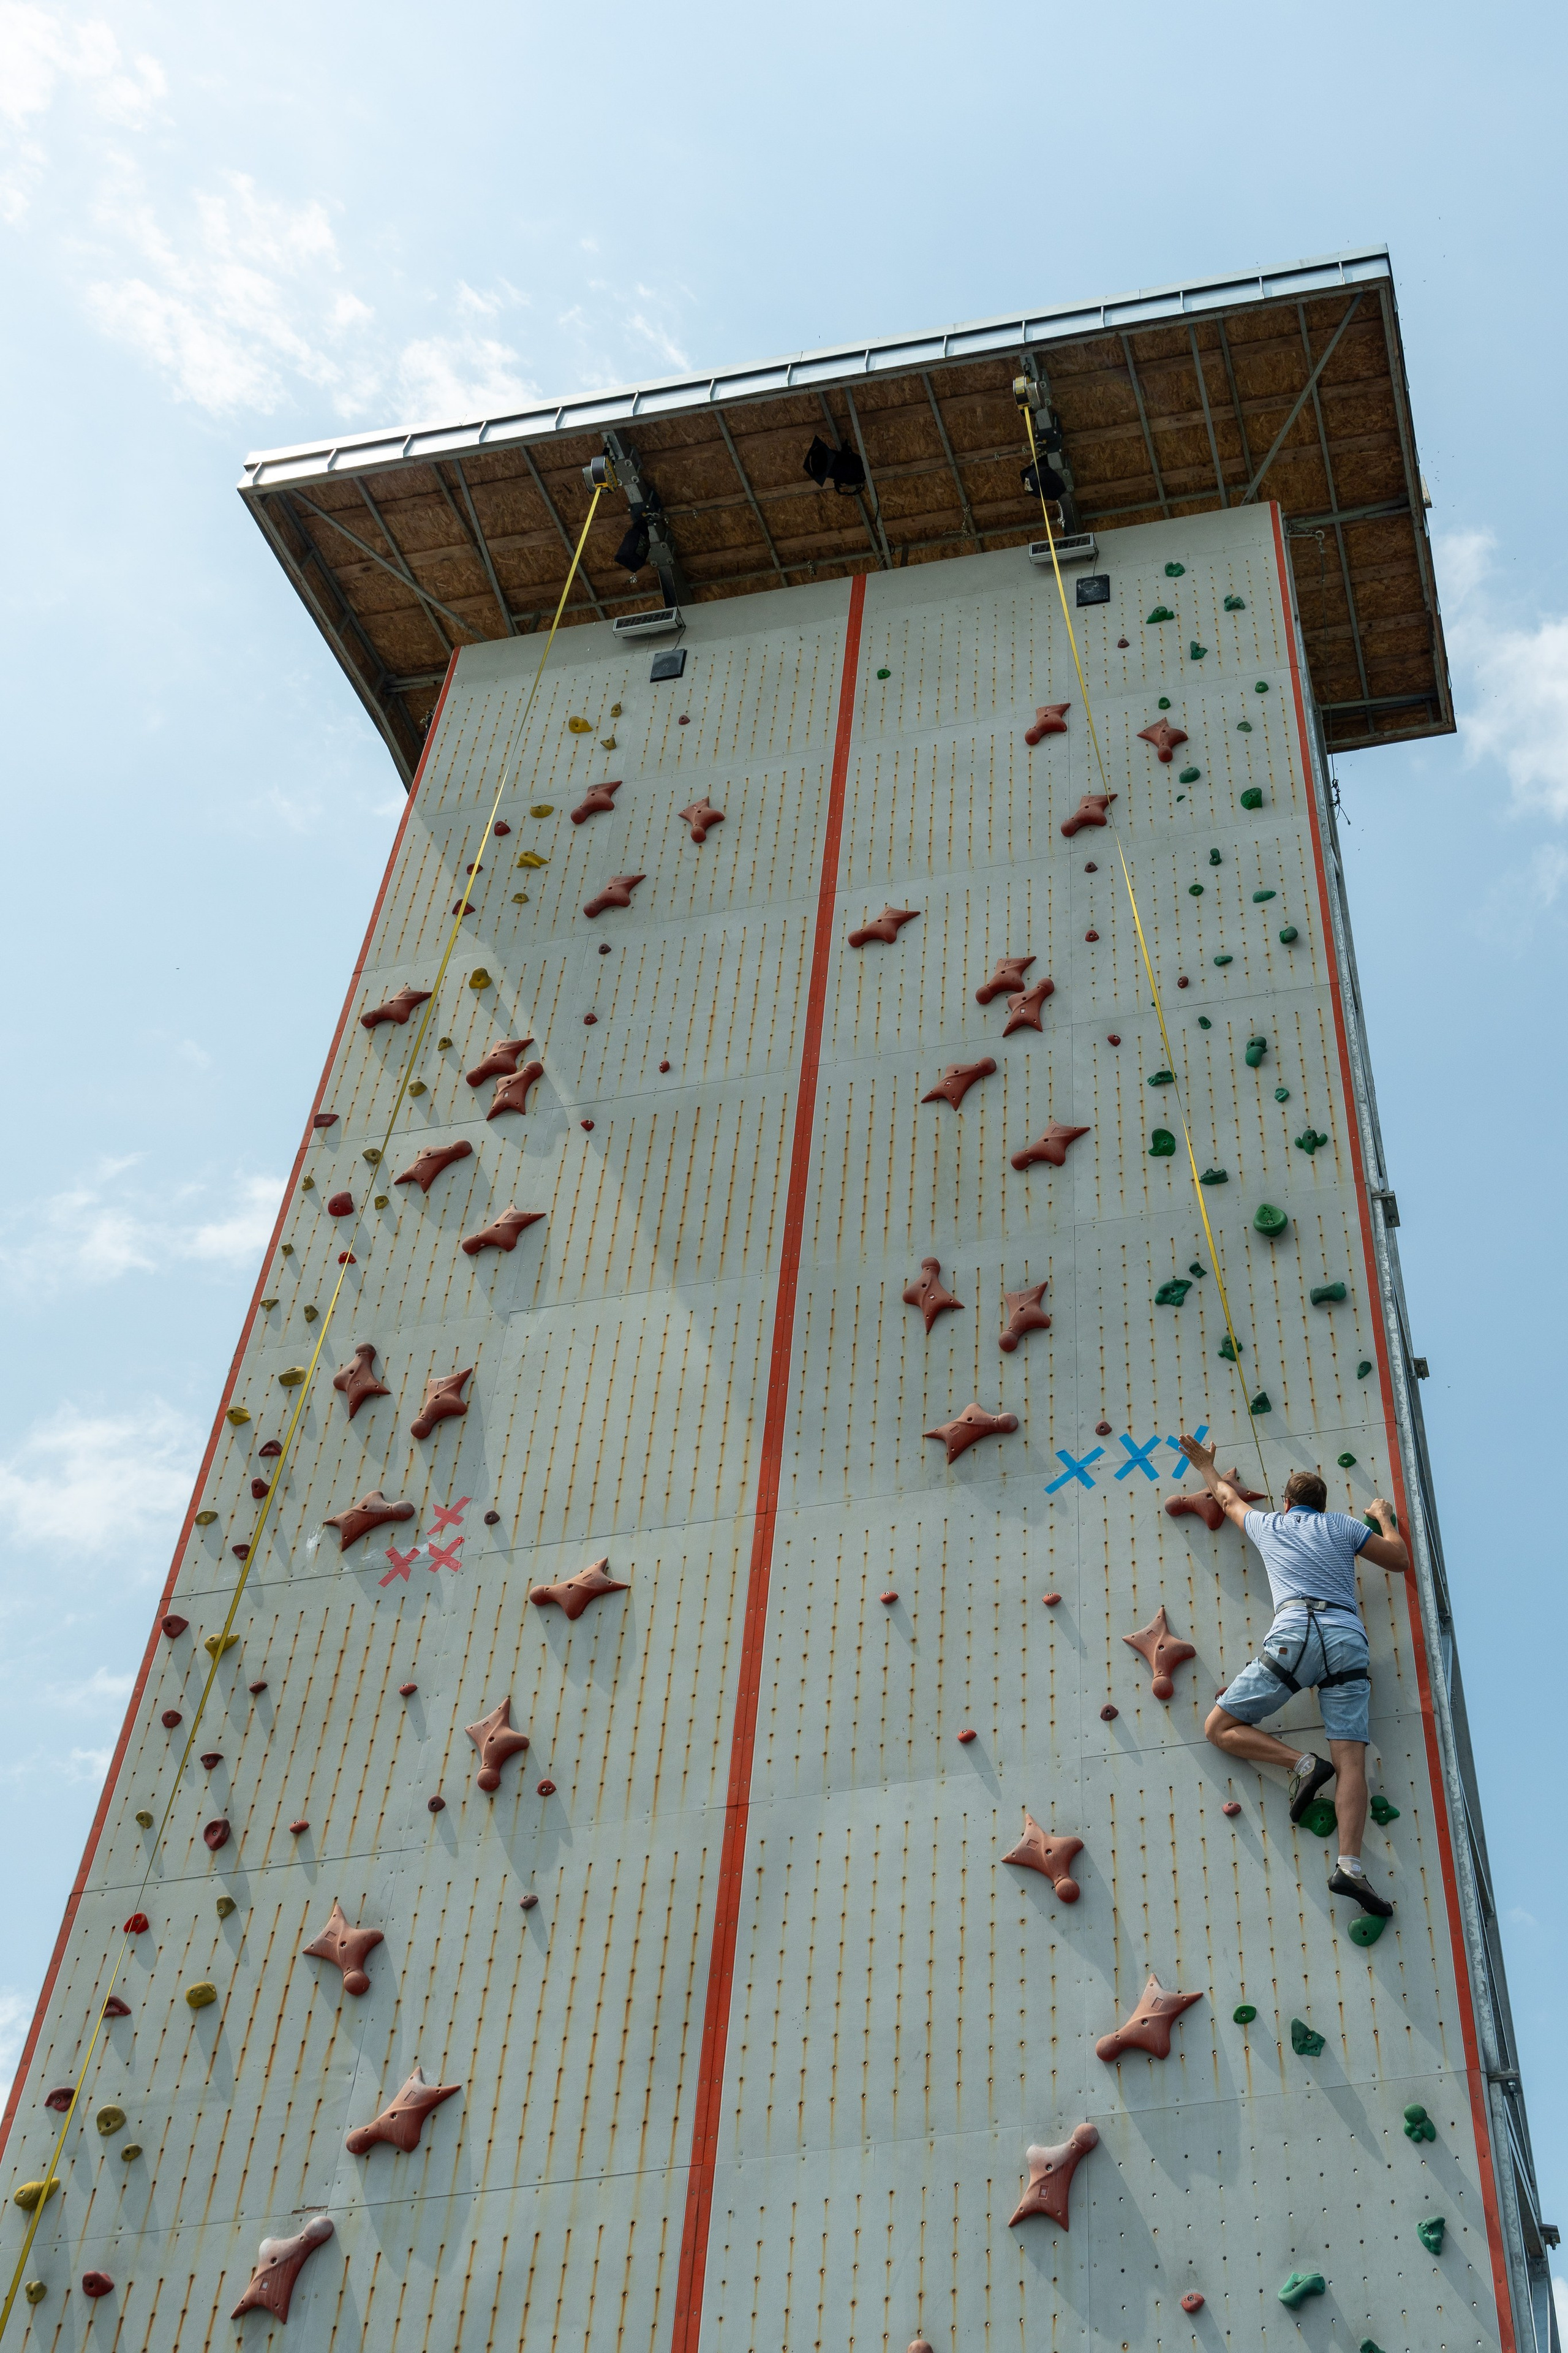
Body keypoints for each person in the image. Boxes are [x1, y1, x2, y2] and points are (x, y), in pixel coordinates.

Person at [1178, 1435, 1409, 1919]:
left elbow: (1225, 1497)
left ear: (1287, 1502)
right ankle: (1349, 1864)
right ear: (1323, 1505)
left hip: (1297, 1631)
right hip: (1347, 1637)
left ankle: (1302, 1764)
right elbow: (1398, 1559)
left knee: (1218, 1728)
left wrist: (1205, 1464)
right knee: (1352, 1760)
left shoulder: (1271, 1524)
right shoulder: (1344, 1526)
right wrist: (1384, 1516)